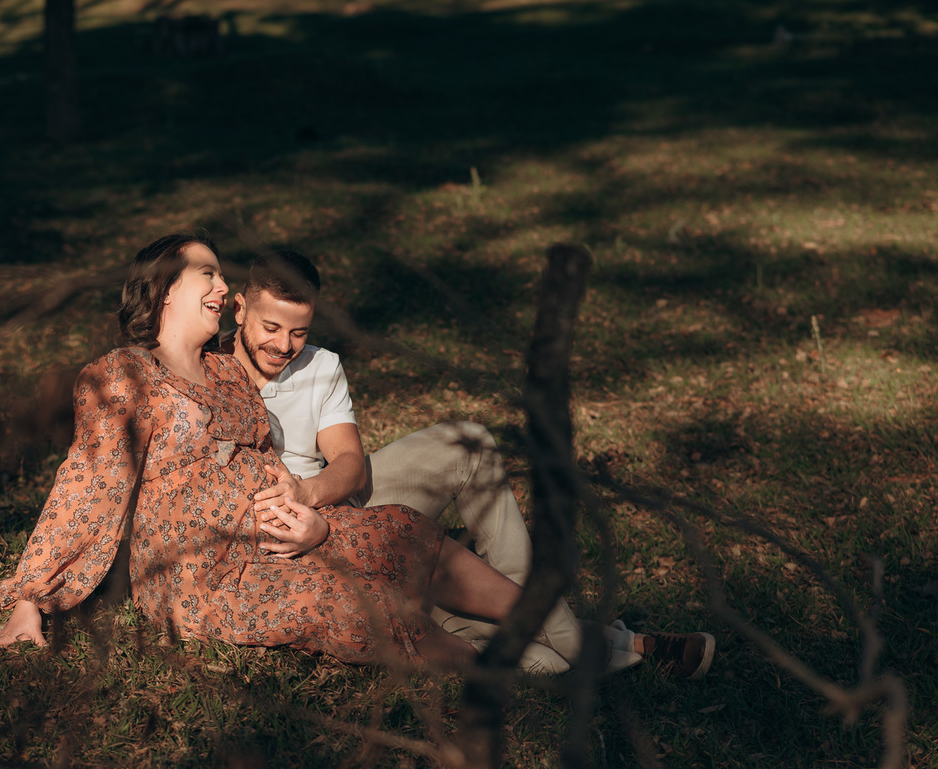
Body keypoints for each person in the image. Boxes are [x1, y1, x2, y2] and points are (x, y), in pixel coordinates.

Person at [0, 234, 527, 668]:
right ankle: (499, 674)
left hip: (277, 537)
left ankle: (542, 621)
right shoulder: (124, 374)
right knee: (355, 605)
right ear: (164, 288)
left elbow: (271, 461)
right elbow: (88, 486)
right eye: (207, 274)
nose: (220, 286)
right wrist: (30, 600)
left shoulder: (223, 371)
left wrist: (312, 521)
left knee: (402, 530)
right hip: (205, 573)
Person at [221, 249, 715, 679]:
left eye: (298, 332)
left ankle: (531, 610)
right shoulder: (205, 367)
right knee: (445, 603)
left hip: (335, 498)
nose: (284, 346)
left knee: (470, 443)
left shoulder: (319, 364)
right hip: (289, 539)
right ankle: (614, 644)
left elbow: (349, 463)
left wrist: (309, 494)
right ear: (240, 309)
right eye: (271, 328)